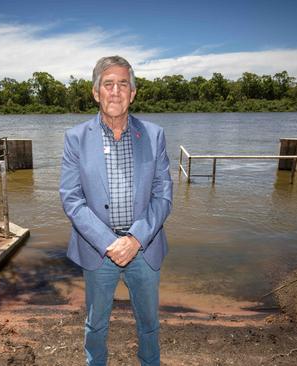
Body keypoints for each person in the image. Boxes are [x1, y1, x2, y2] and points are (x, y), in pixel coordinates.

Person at [59, 55, 173, 366]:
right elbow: (71, 197)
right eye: (108, 84)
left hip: (144, 248)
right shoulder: (76, 138)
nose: (115, 91)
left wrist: (135, 239)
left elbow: (163, 194)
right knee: (96, 324)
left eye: (123, 84)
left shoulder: (154, 135)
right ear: (96, 92)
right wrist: (111, 243)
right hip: (99, 251)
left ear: (133, 93)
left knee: (148, 323)